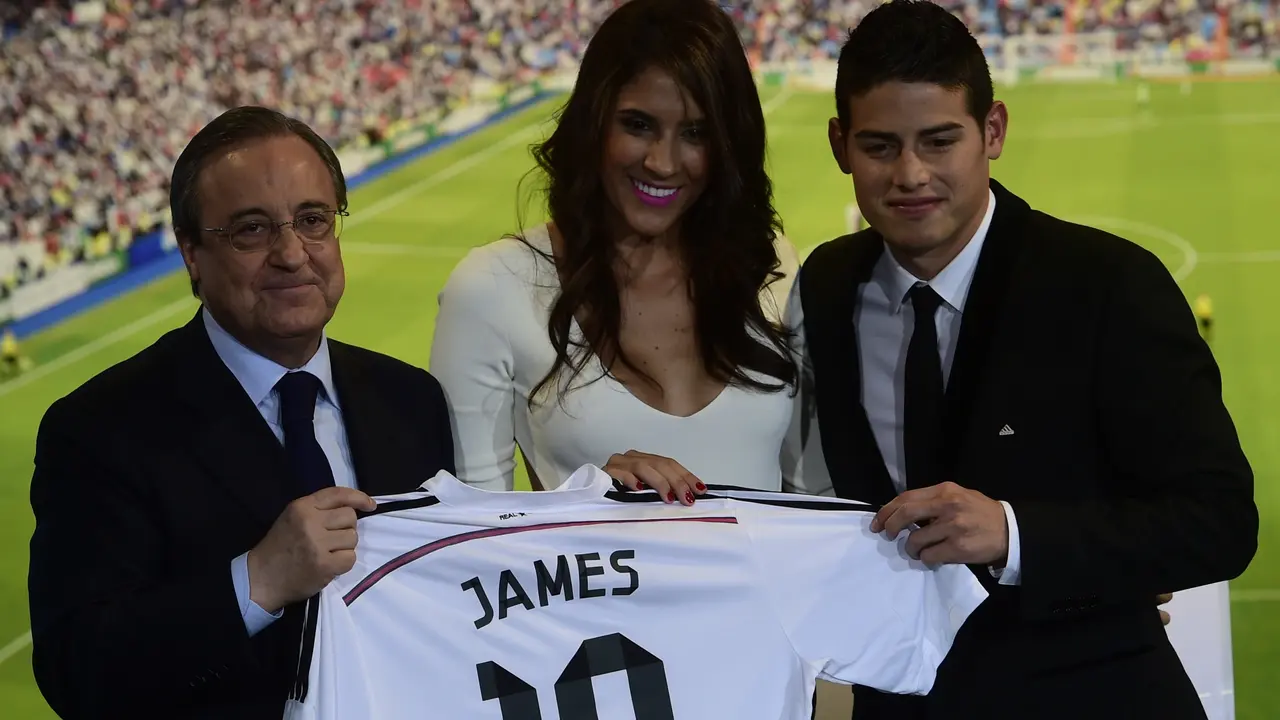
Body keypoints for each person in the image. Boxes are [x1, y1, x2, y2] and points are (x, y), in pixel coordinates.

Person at [781, 2, 1257, 718]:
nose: (910, 174)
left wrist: (1016, 534)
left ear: (993, 131)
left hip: (1091, 697)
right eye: (880, 146)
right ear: (838, 143)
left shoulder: (1108, 285)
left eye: (940, 141)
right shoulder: (824, 284)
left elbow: (1219, 523)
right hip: (903, 702)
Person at [27, 106, 456, 719]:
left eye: (313, 220)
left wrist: (618, 506)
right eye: (251, 230)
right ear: (192, 254)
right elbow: (78, 672)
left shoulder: (410, 398)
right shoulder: (99, 430)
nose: (291, 253)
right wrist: (255, 582)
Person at [430, 0, 799, 502]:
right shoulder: (492, 288)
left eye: (695, 133)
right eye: (638, 124)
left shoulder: (772, 263)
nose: (662, 162)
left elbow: (814, 501)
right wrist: (589, 499)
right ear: (595, 122)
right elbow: (465, 536)